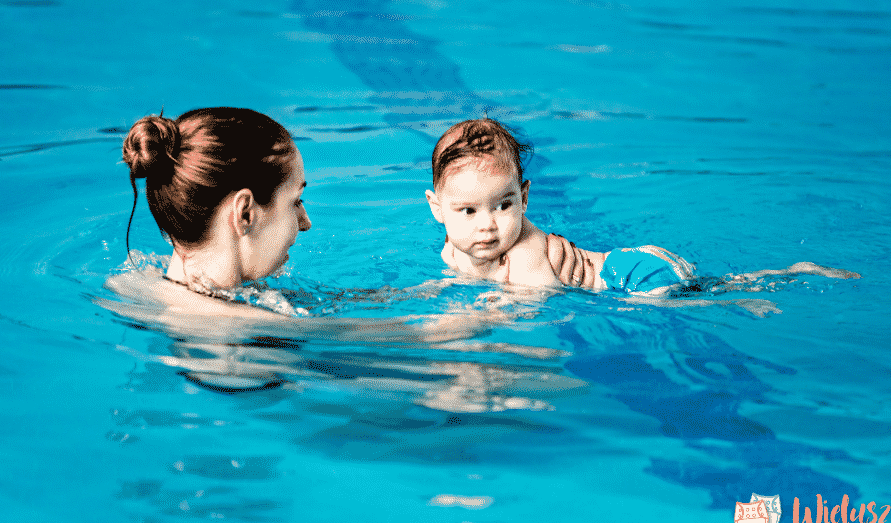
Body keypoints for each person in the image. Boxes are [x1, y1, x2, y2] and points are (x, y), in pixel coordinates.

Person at [105, 107, 580, 349]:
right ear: (245, 212)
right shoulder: (242, 334)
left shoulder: (131, 286)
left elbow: (330, 311)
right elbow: (396, 338)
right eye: (296, 202)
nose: (306, 223)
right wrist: (499, 310)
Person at [425, 118, 694, 295]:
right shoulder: (453, 246)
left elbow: (540, 301)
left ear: (524, 198)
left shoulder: (524, 254)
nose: (487, 225)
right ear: (438, 209)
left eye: (503, 206)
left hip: (637, 274)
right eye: (469, 211)